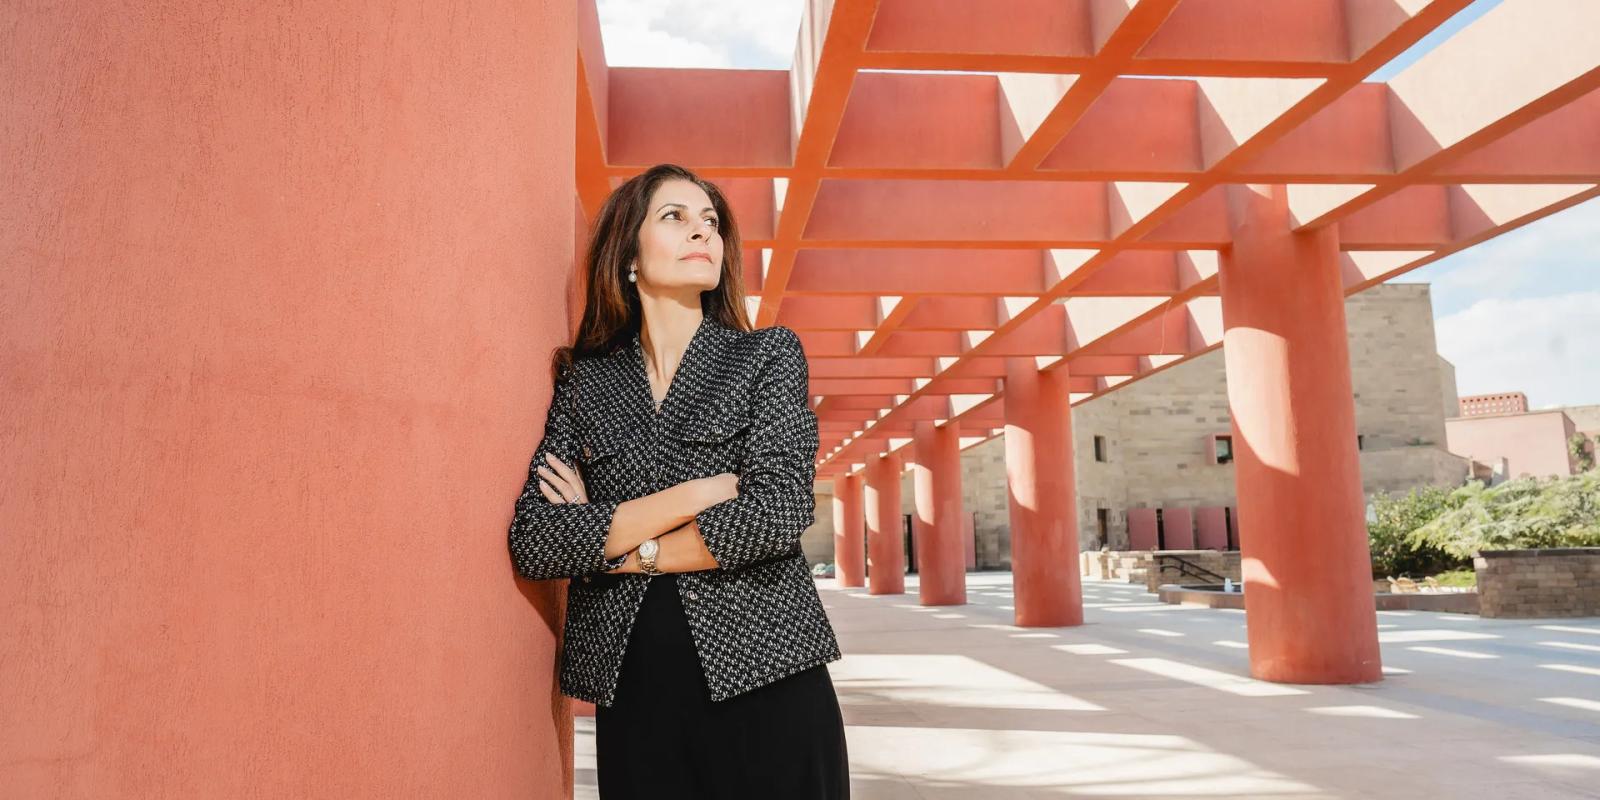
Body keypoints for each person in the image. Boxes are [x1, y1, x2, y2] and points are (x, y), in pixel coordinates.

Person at [508, 163, 850, 798]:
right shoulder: (586, 383)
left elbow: (775, 513)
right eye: (676, 217)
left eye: (712, 222)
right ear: (629, 256)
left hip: (768, 676)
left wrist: (614, 549)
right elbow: (536, 539)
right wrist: (698, 493)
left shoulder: (766, 356)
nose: (704, 233)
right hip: (636, 689)